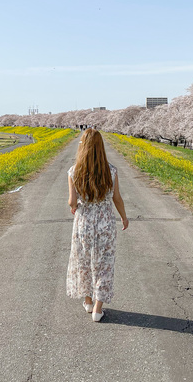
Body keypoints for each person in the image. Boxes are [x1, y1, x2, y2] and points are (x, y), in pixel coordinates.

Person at [66, 128, 129, 322]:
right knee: (104, 264)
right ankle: (98, 309)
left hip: (83, 222)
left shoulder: (74, 171)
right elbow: (116, 198)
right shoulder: (111, 171)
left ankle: (87, 301)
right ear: (101, 148)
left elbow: (71, 201)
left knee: (83, 261)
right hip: (105, 223)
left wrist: (75, 206)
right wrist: (124, 218)